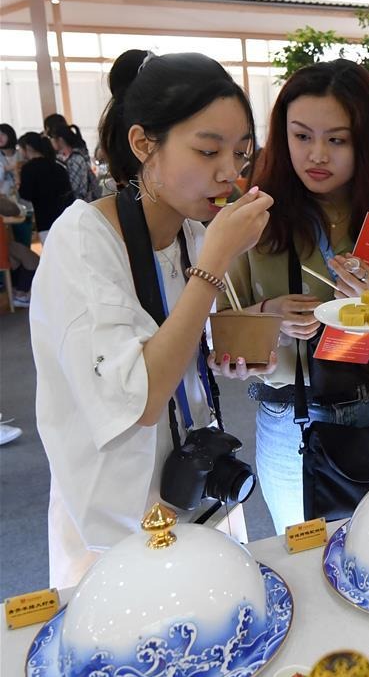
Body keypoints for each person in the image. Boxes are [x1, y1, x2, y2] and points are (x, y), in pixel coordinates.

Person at [30, 49, 274, 588]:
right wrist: (214, 263)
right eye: (208, 150)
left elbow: (175, 339)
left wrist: (225, 351)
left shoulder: (189, 232)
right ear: (143, 144)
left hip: (193, 484)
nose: (229, 173)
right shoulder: (83, 241)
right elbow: (137, 398)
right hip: (116, 513)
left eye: (240, 153)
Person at [224, 59, 369, 533]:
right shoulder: (254, 218)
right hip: (291, 422)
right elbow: (223, 340)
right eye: (301, 136)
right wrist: (267, 316)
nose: (317, 154)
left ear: (366, 141)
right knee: (306, 565)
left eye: (336, 140)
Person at [17, 131, 74, 243]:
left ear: (27, 147)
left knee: (52, 255)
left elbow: (25, 195)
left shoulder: (28, 169)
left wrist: (17, 178)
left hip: (45, 220)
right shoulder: (58, 166)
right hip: (66, 217)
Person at [50, 123, 100, 202]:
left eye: (52, 138)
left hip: (81, 202)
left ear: (60, 140)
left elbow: (75, 186)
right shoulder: (72, 157)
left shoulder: (75, 159)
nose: (50, 141)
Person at [0, 123, 18, 199]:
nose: (0, 137)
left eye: (3, 134)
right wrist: (3, 169)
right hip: (4, 199)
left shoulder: (22, 154)